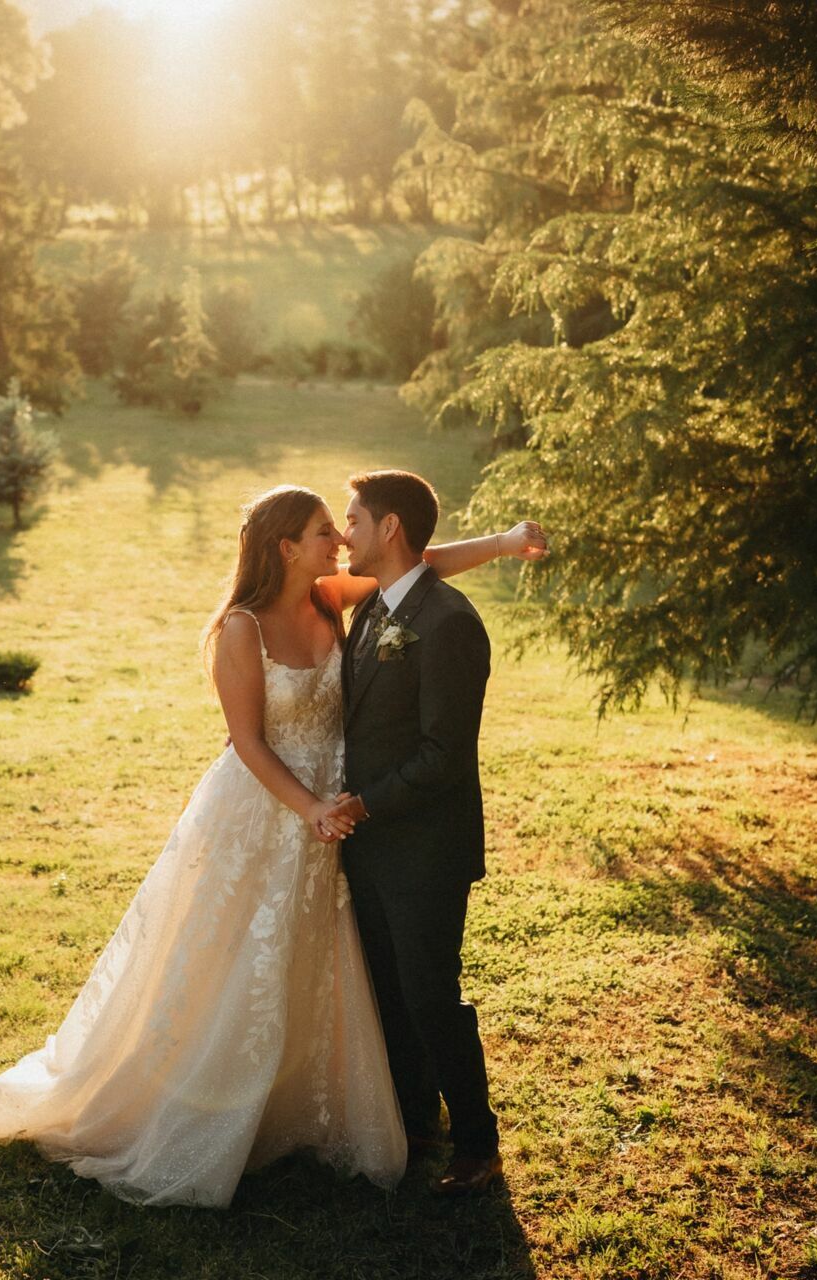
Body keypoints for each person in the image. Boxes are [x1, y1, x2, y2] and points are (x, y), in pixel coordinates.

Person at [0, 484, 545, 1207]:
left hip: (355, 816)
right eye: (327, 531)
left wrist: (507, 544)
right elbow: (247, 742)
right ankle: (234, 1102)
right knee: (250, 960)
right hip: (278, 807)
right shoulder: (244, 627)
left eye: (344, 526)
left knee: (360, 967)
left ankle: (417, 1121)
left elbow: (419, 563)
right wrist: (313, 808)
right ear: (287, 547)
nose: (340, 540)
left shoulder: (335, 600)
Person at [322, 469, 534, 1196]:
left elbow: (445, 756)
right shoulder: (371, 611)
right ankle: (418, 1126)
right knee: (387, 992)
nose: (344, 533)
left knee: (429, 995)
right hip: (369, 844)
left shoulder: (448, 623)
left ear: (390, 529)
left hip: (424, 849)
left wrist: (363, 804)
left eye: (353, 519)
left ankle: (478, 1144)